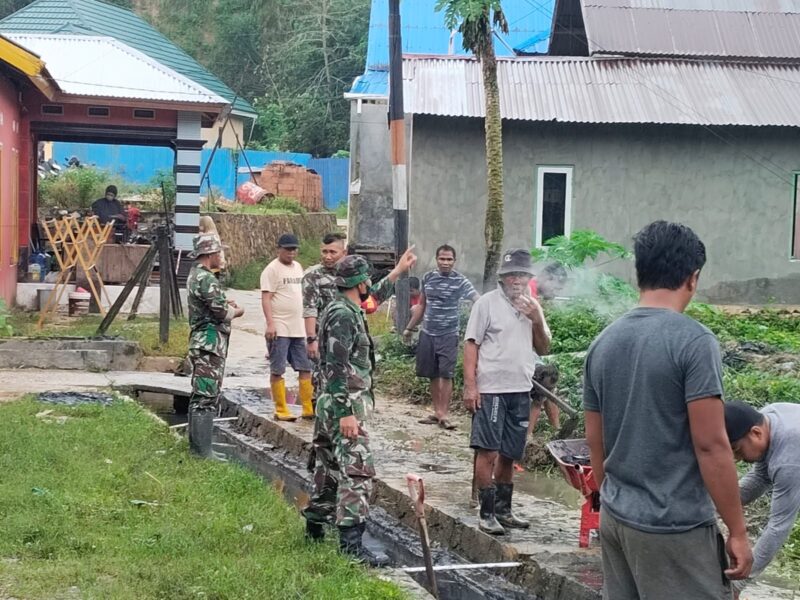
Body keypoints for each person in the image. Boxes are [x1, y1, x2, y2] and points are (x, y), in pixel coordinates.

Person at [583, 221, 752, 600]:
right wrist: (738, 531)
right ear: (692, 278)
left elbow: (595, 441)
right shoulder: (693, 342)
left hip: (616, 518)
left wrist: (615, 499)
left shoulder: (603, 343)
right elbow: (711, 445)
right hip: (673, 528)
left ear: (639, 273)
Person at [303, 248, 417, 565]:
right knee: (357, 472)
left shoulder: (345, 306)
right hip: (344, 404)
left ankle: (314, 529)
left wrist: (397, 271)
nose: (369, 284)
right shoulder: (342, 315)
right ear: (360, 282)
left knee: (327, 467)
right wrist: (346, 415)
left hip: (332, 402)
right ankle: (351, 547)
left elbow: (372, 299)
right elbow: (336, 368)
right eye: (367, 280)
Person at [463, 248, 551, 534]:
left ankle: (504, 510)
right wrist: (470, 386)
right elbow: (471, 344)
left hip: (520, 389)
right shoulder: (486, 304)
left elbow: (543, 348)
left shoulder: (532, 307)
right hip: (491, 390)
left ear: (529, 278)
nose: (517, 280)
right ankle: (486, 513)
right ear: (502, 277)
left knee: (510, 453)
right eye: (512, 275)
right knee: (488, 450)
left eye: (522, 275)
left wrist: (536, 318)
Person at [725, 401, 800, 599]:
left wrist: (738, 584)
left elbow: (778, 527)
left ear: (756, 433)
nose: (736, 459)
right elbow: (760, 478)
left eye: (737, 450)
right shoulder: (768, 416)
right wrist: (715, 506)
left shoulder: (788, 459)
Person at [404, 245, 479, 430]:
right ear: (436, 259)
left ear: (454, 261)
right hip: (428, 332)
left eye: (449, 259)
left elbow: (477, 300)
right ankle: (437, 412)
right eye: (442, 259)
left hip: (449, 334)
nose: (445, 262)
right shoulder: (428, 278)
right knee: (432, 373)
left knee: (446, 374)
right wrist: (409, 328)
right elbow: (422, 305)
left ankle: (445, 414)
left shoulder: (460, 281)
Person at [186, 234, 244, 458]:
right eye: (219, 252)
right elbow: (222, 313)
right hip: (209, 343)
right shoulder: (206, 278)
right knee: (206, 397)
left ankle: (197, 448)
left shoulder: (195, 274)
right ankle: (203, 452)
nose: (221, 256)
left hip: (202, 342)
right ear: (210, 254)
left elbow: (209, 303)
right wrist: (237, 311)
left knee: (200, 395)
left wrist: (222, 301)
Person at [261, 233, 314, 421]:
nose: (291, 253)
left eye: (294, 249)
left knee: (305, 367)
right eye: (288, 249)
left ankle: (307, 407)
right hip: (280, 327)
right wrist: (270, 323)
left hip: (298, 327)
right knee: (278, 368)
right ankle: (281, 409)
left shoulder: (298, 267)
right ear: (279, 249)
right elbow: (266, 298)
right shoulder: (271, 270)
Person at [303, 232, 348, 403]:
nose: (328, 257)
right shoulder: (313, 277)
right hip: (323, 340)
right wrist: (311, 340)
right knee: (322, 383)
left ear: (344, 253)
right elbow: (310, 309)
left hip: (346, 339)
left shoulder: (349, 276)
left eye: (333, 252)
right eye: (324, 251)